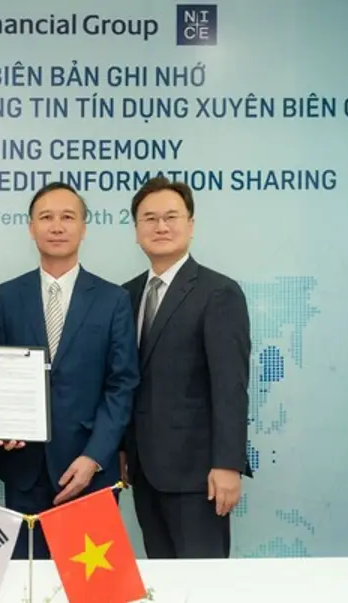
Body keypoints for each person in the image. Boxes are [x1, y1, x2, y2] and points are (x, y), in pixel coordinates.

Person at [0, 182, 139, 560]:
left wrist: (95, 456)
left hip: (90, 471)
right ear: (31, 228)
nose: (57, 226)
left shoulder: (113, 299)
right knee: (27, 582)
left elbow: (122, 384)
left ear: (84, 228)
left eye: (68, 217)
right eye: (46, 217)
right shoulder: (7, 296)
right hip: (25, 470)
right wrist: (0, 426)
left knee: (90, 588)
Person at [120, 176, 252, 559]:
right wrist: (124, 449)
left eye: (171, 217)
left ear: (190, 225)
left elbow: (230, 387)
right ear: (137, 231)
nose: (160, 226)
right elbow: (126, 381)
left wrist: (227, 465)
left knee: (201, 584)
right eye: (150, 218)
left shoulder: (218, 292)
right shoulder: (126, 295)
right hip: (144, 472)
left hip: (199, 476)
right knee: (162, 579)